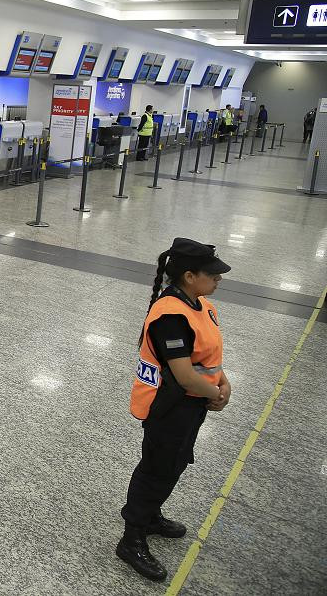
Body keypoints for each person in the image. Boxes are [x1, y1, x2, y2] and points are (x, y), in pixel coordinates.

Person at [116, 238, 232, 582]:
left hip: (192, 402)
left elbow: (207, 355)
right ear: (189, 275)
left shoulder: (202, 304)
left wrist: (224, 383)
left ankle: (150, 515)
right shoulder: (169, 314)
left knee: (175, 462)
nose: (218, 279)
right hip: (168, 405)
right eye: (212, 274)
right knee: (157, 468)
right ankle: (131, 536)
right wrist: (218, 395)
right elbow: (183, 375)